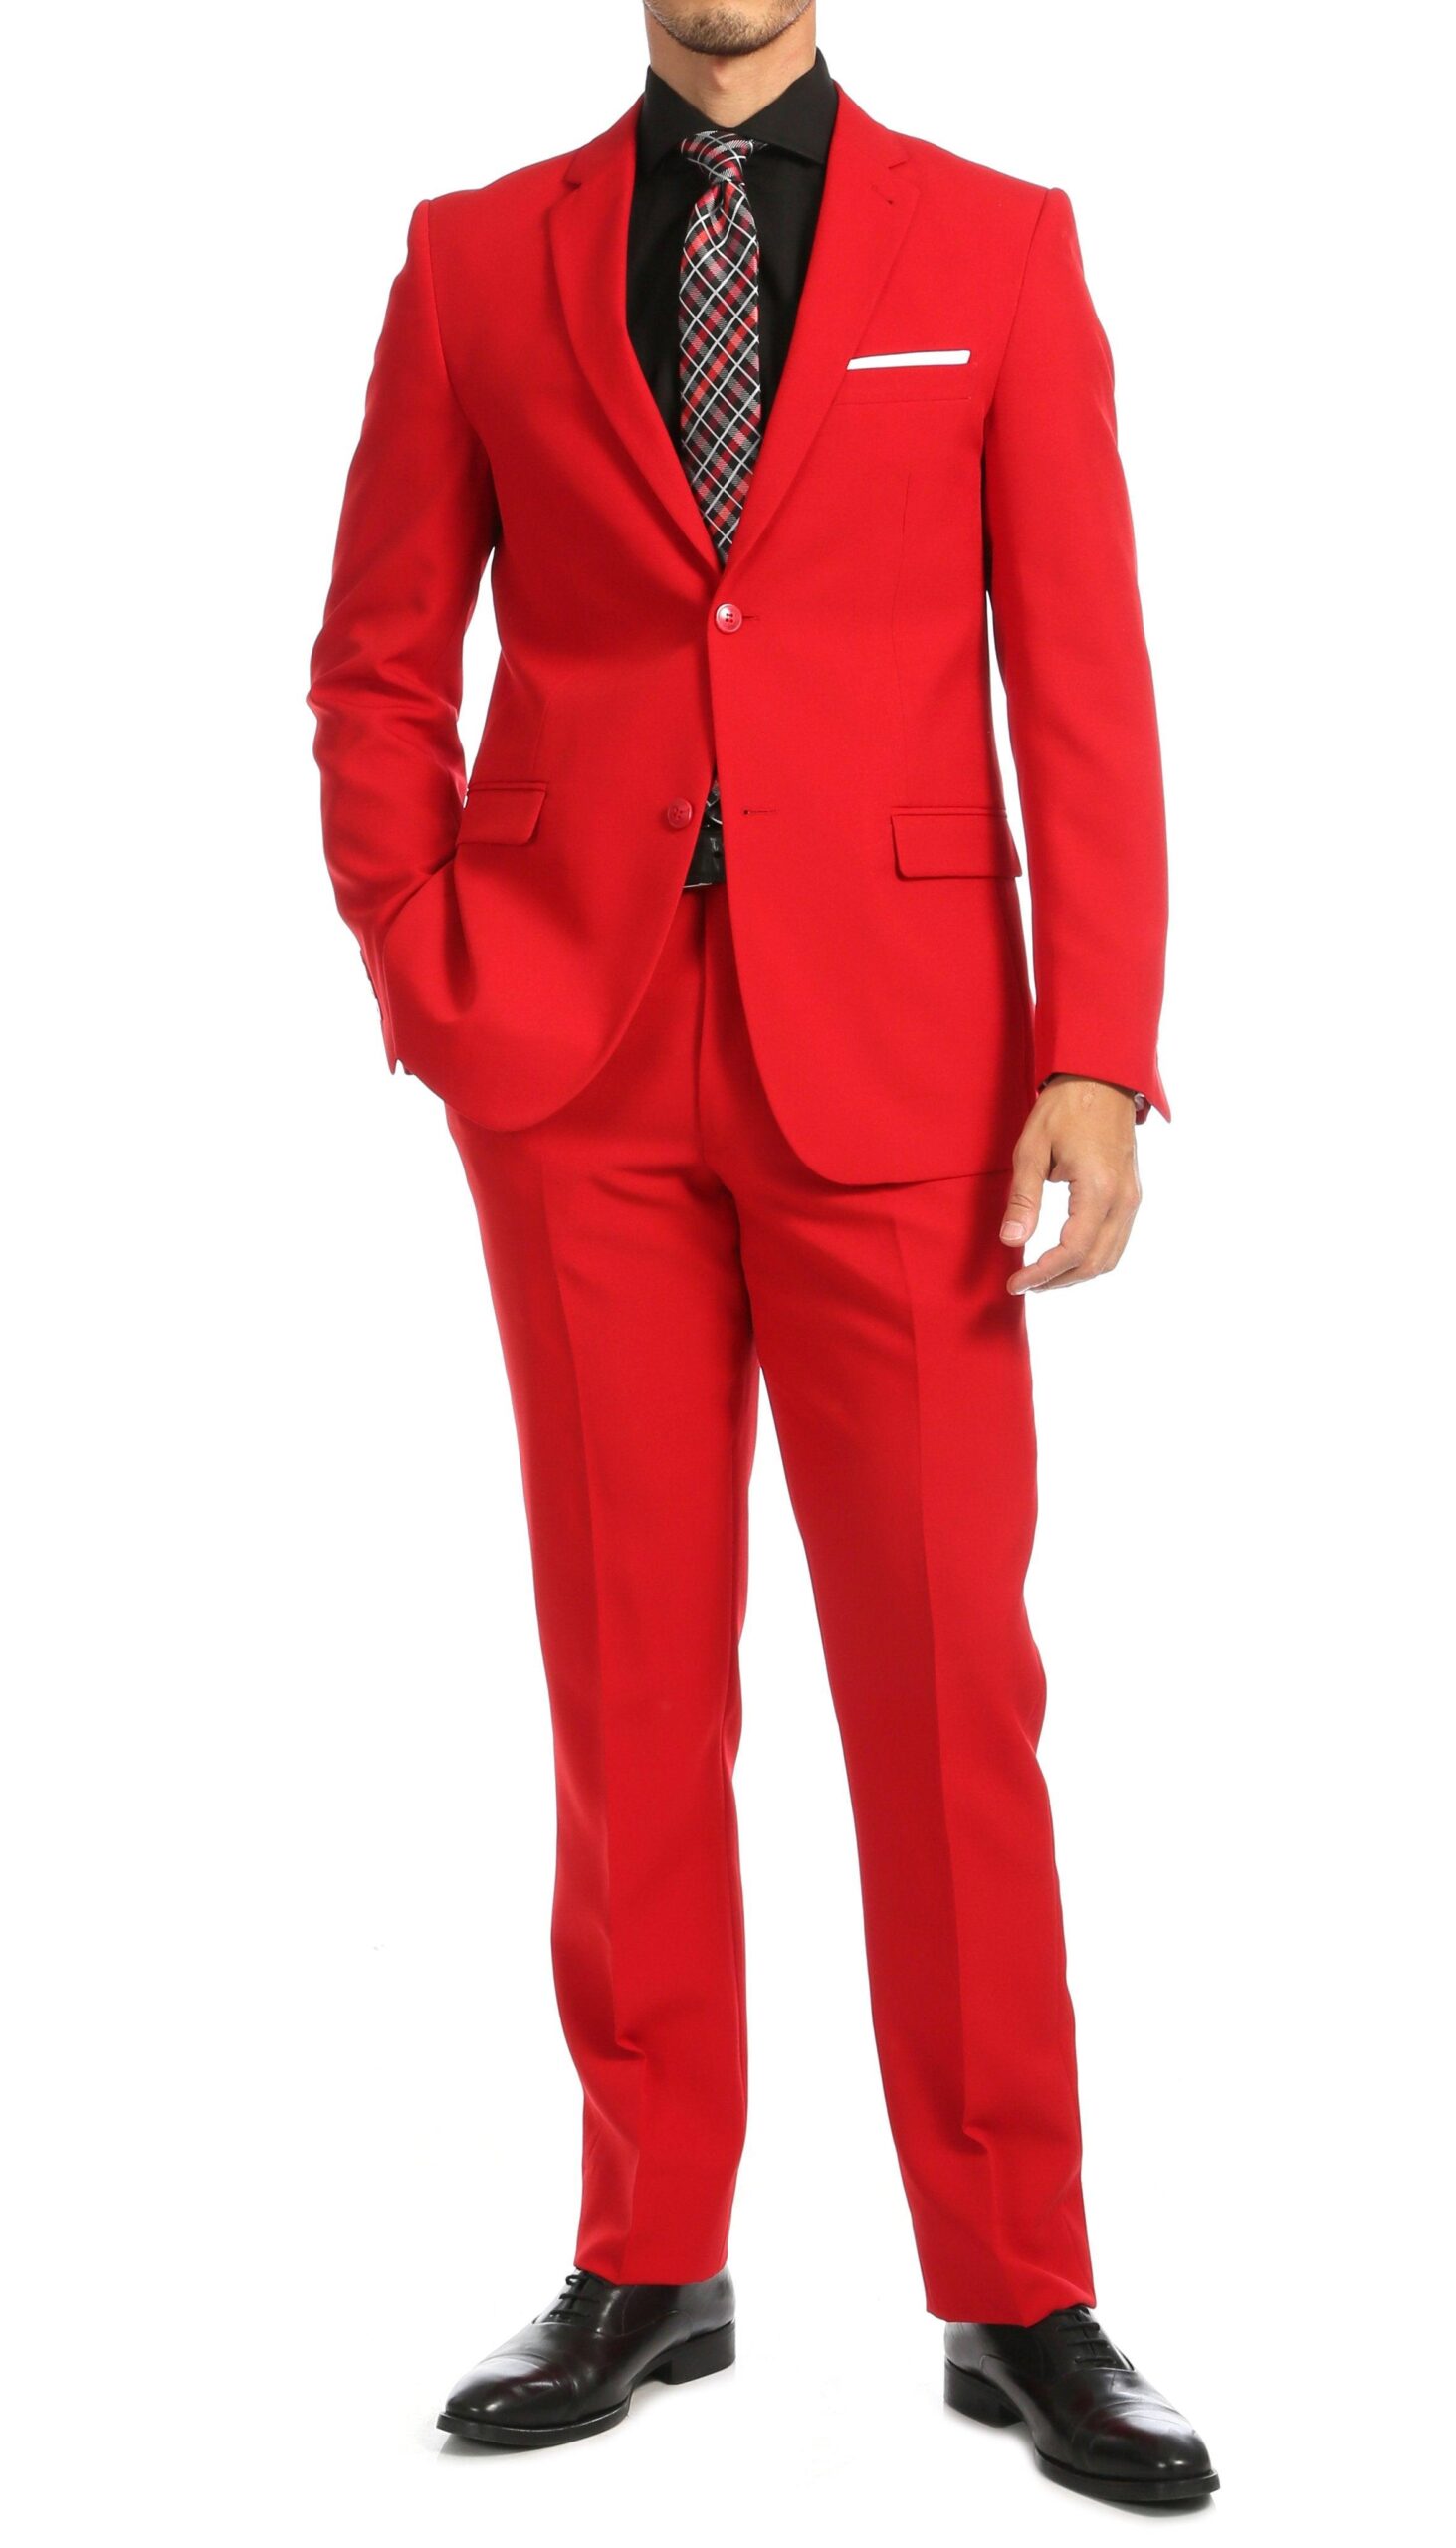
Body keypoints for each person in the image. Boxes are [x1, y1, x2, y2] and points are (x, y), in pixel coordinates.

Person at [308, 1, 1216, 2505]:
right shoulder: (473, 259)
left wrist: (1096, 1043)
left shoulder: (997, 249)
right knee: (627, 1671)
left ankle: (1020, 2284)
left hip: (908, 1066)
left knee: (945, 1682)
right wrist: (427, 958)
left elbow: (1083, 667)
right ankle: (648, 2247)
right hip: (573, 1057)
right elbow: (378, 651)